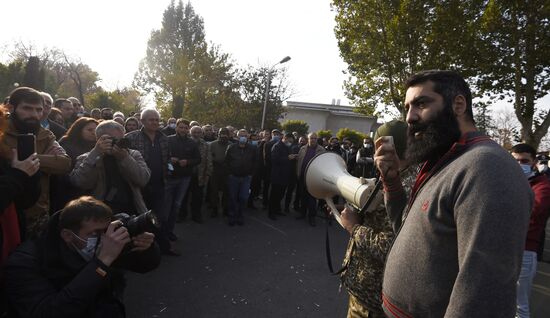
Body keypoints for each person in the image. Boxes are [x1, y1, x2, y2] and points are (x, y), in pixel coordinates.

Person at [374, 70, 532, 317]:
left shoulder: (487, 167)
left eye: (421, 103)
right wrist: (392, 182)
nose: (410, 117)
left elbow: (483, 294)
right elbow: (404, 229)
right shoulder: (445, 161)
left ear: (458, 104)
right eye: (407, 108)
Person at [5, 196, 160, 318]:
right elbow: (47, 312)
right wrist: (101, 263)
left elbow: (145, 266)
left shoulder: (106, 239)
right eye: (94, 234)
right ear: (67, 235)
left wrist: (146, 248)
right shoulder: (26, 262)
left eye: (104, 231)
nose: (103, 238)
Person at [337, 120, 415, 318]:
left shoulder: (407, 186)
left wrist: (353, 227)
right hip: (366, 292)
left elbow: (391, 246)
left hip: (373, 302)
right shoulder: (395, 175)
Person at [3, 87, 71, 238]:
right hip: (7, 211)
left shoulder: (45, 134)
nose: (34, 115)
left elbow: (64, 163)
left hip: (37, 213)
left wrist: (27, 159)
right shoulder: (1, 132)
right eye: (27, 108)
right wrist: (46, 160)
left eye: (38, 110)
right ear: (11, 108)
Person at [70, 120, 151, 215]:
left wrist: (125, 158)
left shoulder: (133, 154)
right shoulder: (87, 158)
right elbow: (80, 182)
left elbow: (143, 179)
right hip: (100, 213)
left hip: (132, 210)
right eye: (114, 140)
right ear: (99, 140)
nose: (118, 143)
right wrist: (96, 153)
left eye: (121, 139)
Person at [125, 108, 175, 255]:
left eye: (157, 120)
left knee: (159, 217)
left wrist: (169, 173)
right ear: (142, 121)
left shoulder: (164, 138)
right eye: (151, 119)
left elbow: (168, 159)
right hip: (139, 186)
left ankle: (162, 247)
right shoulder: (131, 137)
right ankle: (143, 250)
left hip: (160, 184)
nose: (154, 122)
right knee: (141, 218)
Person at [510, 144, 550, 318]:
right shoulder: (505, 179)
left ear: (534, 161)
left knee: (520, 306)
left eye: (524, 160)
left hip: (525, 250)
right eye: (515, 160)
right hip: (500, 248)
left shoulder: (543, 185)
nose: (519, 164)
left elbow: (534, 212)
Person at [165, 119, 200, 235]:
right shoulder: (168, 140)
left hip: (185, 177)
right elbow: (162, 156)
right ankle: (163, 231)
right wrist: (170, 160)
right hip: (170, 177)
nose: (183, 130)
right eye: (181, 127)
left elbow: (198, 159)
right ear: (176, 128)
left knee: (177, 205)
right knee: (167, 205)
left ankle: (170, 231)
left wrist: (188, 162)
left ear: (188, 129)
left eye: (185, 127)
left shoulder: (192, 143)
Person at [180, 126, 212, 223]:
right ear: (190, 132)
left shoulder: (206, 145)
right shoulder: (185, 143)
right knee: (183, 197)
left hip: (200, 175)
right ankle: (182, 215)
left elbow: (209, 160)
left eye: (199, 132)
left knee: (198, 197)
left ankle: (196, 215)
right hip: (186, 174)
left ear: (201, 134)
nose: (196, 134)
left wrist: (208, 174)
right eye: (194, 132)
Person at [225, 129, 257, 226]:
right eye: (241, 135)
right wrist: (229, 173)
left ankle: (240, 215)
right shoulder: (231, 147)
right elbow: (226, 161)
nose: (243, 137)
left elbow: (255, 162)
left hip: (246, 177)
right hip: (233, 177)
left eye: (245, 135)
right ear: (237, 137)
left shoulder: (252, 148)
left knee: (243, 197)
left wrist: (251, 174)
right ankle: (232, 216)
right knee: (232, 197)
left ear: (247, 137)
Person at [296, 132, 325, 226]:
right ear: (307, 139)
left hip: (313, 178)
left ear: (317, 139)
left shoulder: (321, 150)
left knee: (312, 198)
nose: (313, 140)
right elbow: (299, 162)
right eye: (311, 138)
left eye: (315, 138)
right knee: (303, 196)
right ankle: (302, 213)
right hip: (302, 176)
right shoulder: (302, 148)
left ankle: (312, 217)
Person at [268, 133, 296, 220]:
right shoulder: (277, 146)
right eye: (289, 141)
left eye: (292, 141)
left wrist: (293, 157)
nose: (290, 143)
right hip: (277, 175)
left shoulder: (287, 147)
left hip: (285, 175)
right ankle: (271, 212)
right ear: (285, 138)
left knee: (281, 194)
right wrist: (288, 158)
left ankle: (277, 210)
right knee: (274, 195)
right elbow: (274, 159)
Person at [209, 128, 230, 217]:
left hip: (227, 170)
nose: (223, 135)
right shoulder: (212, 144)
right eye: (221, 133)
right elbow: (209, 157)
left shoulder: (231, 145)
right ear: (218, 134)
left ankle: (225, 208)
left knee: (226, 190)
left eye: (225, 133)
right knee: (214, 190)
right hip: (215, 169)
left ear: (228, 135)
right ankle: (214, 208)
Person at [262, 129, 281, 209]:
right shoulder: (267, 144)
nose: (276, 135)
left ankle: (274, 204)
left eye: (277, 134)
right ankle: (265, 203)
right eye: (274, 134)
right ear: (271, 135)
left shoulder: (281, 145)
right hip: (269, 169)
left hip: (277, 170)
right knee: (266, 187)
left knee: (275, 188)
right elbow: (266, 157)